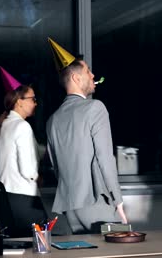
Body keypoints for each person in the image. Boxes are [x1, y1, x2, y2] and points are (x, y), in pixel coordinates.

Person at [46, 37, 127, 234]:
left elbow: (57, 167)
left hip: (70, 206)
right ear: (76, 78)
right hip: (96, 201)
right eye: (88, 71)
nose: (93, 75)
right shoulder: (95, 107)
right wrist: (118, 202)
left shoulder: (52, 120)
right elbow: (105, 159)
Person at [0, 66, 48, 237]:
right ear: (19, 102)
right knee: (41, 244)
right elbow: (27, 169)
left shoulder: (5, 125)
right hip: (25, 197)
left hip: (7, 196)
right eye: (32, 99)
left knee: (18, 247)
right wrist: (37, 177)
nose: (35, 103)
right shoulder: (22, 126)